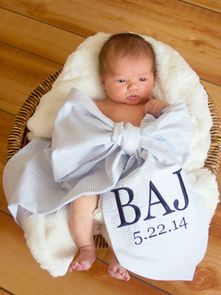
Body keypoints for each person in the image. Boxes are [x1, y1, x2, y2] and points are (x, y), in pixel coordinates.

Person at [68, 33, 169, 281]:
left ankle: (121, 254)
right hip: (100, 165)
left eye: (142, 79)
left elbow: (171, 131)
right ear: (104, 82)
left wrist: (164, 111)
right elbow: (75, 118)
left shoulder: (150, 107)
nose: (133, 87)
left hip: (133, 170)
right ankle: (86, 247)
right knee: (80, 199)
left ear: (154, 79)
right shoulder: (99, 105)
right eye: (122, 80)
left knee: (136, 209)